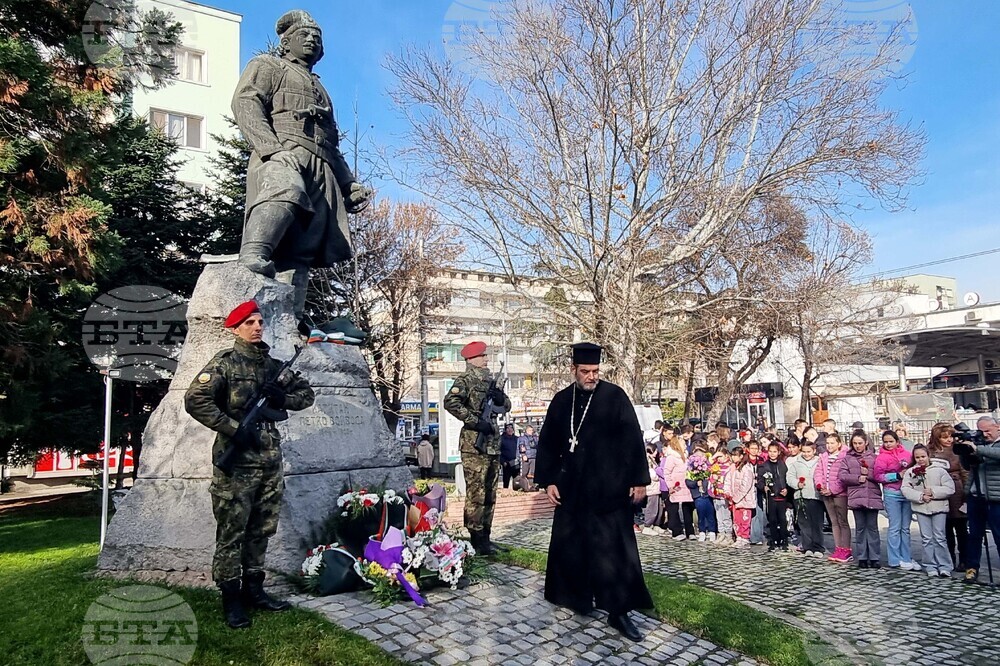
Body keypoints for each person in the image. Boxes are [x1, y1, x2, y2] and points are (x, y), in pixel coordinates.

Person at [231, 10, 372, 323]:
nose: (311, 40)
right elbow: (245, 102)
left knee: (304, 245)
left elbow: (332, 142)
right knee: (286, 191)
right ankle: (253, 253)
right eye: (304, 35)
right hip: (284, 151)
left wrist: (349, 184)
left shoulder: (321, 89)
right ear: (286, 41)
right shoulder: (269, 65)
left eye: (317, 38)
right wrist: (271, 149)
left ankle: (290, 319)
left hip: (320, 163)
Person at [184, 301, 315, 629]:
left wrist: (280, 399)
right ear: (235, 328)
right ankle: (231, 598)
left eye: (259, 321)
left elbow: (307, 395)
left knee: (261, 530)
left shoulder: (273, 366)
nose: (257, 327)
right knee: (232, 532)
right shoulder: (225, 364)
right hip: (238, 464)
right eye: (249, 323)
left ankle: (255, 590)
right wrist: (232, 428)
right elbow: (194, 399)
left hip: (270, 463)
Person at [534, 342, 653, 641]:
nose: (591, 377)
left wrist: (639, 480)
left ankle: (619, 612)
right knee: (573, 546)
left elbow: (632, 440)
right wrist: (548, 480)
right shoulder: (562, 401)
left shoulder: (615, 397)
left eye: (596, 371)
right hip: (572, 489)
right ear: (573, 370)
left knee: (613, 553)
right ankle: (577, 598)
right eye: (585, 371)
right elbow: (548, 442)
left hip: (609, 489)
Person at [443, 341, 511, 556]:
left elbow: (506, 406)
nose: (486, 359)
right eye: (482, 356)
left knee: (490, 493)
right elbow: (450, 402)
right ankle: (475, 538)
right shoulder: (465, 380)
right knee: (476, 494)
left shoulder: (491, 380)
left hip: (492, 444)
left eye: (485, 355)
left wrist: (501, 399)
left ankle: (486, 538)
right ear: (470, 359)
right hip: (474, 444)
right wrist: (473, 420)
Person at [900, 444, 955, 578]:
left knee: (940, 537)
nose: (920, 459)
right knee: (926, 538)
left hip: (939, 507)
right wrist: (920, 496)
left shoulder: (939, 470)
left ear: (928, 456)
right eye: (917, 457)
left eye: (923, 456)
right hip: (921, 508)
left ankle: (944, 565)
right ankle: (930, 565)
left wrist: (934, 492)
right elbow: (905, 489)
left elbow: (950, 488)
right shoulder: (911, 472)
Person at [961, 416, 1000, 584]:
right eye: (981, 431)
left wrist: (976, 449)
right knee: (974, 535)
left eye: (987, 431)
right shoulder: (980, 443)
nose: (984, 434)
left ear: (997, 427)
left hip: (996, 498)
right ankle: (972, 568)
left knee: (999, 536)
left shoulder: (988, 446)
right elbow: (967, 466)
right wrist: (965, 451)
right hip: (976, 496)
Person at [874, 430, 920, 571]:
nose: (888, 444)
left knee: (905, 528)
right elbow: (878, 476)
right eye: (885, 442)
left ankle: (905, 557)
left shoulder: (906, 454)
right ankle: (894, 559)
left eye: (891, 441)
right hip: (892, 493)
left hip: (906, 493)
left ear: (897, 441)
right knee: (895, 527)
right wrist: (896, 475)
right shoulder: (881, 457)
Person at [926, 423, 969, 571]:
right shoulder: (930, 451)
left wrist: (966, 491)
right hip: (938, 489)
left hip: (957, 489)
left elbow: (965, 472)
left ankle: (965, 559)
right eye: (944, 437)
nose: (949, 440)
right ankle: (948, 557)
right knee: (944, 528)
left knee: (961, 527)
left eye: (950, 436)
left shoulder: (958, 450)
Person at [841, 431, 883, 569]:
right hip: (856, 496)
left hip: (872, 496)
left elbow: (880, 474)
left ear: (866, 443)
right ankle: (862, 556)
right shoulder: (848, 458)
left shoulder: (874, 457)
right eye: (855, 443)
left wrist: (868, 474)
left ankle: (875, 557)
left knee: (872, 528)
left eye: (860, 443)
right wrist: (857, 478)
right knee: (860, 528)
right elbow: (842, 475)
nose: (858, 446)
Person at [814, 433, 852, 563]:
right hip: (826, 492)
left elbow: (843, 477)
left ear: (839, 444)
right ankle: (838, 547)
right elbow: (818, 472)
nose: (829, 446)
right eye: (828, 443)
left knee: (843, 522)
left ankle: (846, 548)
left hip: (840, 494)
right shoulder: (823, 457)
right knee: (834, 521)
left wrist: (833, 490)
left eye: (832, 443)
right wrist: (820, 486)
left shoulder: (844, 456)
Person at [790, 440, 824, 558]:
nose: (806, 454)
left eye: (809, 452)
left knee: (817, 523)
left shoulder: (819, 462)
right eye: (804, 451)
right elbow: (790, 477)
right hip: (801, 496)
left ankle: (818, 546)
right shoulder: (796, 463)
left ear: (814, 451)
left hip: (815, 496)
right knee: (804, 523)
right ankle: (807, 546)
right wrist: (796, 484)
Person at [661, 435, 695, 540]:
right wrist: (670, 485)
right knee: (674, 508)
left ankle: (690, 531)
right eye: (683, 443)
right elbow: (667, 472)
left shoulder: (686, 456)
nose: (685, 445)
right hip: (676, 486)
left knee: (687, 507)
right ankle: (677, 531)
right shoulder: (671, 457)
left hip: (686, 485)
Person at [723, 444, 756, 549]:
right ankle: (739, 537)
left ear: (741, 456)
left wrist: (736, 498)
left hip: (744, 500)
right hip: (734, 500)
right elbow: (728, 481)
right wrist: (727, 493)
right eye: (732, 455)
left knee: (744, 520)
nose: (733, 458)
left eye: (736, 455)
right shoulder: (732, 468)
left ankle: (744, 538)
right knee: (736, 520)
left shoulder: (747, 469)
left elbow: (745, 486)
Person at [759, 442, 789, 552]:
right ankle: (774, 539)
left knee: (782, 519)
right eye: (770, 451)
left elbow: (786, 479)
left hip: (782, 495)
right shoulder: (764, 465)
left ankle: (784, 539)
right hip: (770, 496)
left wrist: (786, 489)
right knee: (772, 519)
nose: (772, 454)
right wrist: (763, 487)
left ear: (778, 452)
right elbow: (760, 481)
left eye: (774, 451)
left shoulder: (782, 465)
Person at [686, 446, 717, 542]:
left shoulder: (708, 468)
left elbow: (711, 480)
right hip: (698, 495)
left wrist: (704, 482)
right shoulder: (690, 469)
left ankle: (712, 531)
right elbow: (688, 481)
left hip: (707, 494)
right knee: (701, 514)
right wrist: (696, 483)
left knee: (710, 513)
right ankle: (702, 531)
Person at [709, 444, 733, 545]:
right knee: (719, 516)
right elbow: (708, 467)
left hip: (725, 494)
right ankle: (721, 533)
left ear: (727, 456)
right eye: (717, 457)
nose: (719, 459)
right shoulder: (715, 466)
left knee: (726, 516)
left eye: (721, 456)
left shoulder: (730, 467)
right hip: (716, 494)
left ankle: (728, 535)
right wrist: (714, 457)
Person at [641, 446, 665, 535]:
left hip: (657, 488)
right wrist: (658, 473)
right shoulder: (646, 459)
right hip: (651, 488)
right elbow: (651, 474)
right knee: (652, 508)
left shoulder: (654, 460)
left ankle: (656, 524)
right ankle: (647, 525)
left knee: (659, 508)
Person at [517, 425, 539, 491]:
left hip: (534, 457)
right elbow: (521, 446)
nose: (531, 432)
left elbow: (538, 446)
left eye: (532, 430)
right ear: (526, 430)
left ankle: (532, 487)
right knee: (525, 472)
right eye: (530, 430)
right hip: (526, 457)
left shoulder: (535, 438)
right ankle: (524, 486)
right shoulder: (522, 438)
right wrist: (523, 455)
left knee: (532, 473)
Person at [500, 424, 520, 489]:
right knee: (506, 482)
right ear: (505, 430)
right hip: (506, 463)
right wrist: (502, 461)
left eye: (511, 428)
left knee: (517, 481)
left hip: (516, 462)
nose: (510, 430)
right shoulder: (501, 439)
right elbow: (498, 451)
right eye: (508, 428)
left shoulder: (517, 439)